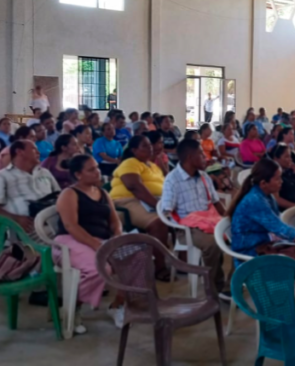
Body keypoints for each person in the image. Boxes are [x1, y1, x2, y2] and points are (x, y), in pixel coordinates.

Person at [228, 159, 295, 329]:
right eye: (277, 178)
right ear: (264, 183)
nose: (281, 182)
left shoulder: (266, 196)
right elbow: (282, 230)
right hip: (251, 258)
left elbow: (279, 231)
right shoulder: (255, 200)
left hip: (266, 249)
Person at [55, 155, 123, 331]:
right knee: (100, 267)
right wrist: (97, 246)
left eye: (97, 167)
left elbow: (115, 221)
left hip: (102, 239)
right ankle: (72, 307)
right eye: (91, 169)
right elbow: (71, 225)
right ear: (78, 174)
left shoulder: (102, 193)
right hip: (71, 240)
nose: (97, 172)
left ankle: (117, 306)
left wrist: (116, 237)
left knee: (136, 259)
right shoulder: (69, 193)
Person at [159, 139, 227, 294]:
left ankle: (231, 284)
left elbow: (216, 202)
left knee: (241, 233)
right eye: (201, 155)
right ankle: (215, 287)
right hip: (188, 228)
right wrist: (182, 227)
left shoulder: (203, 176)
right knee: (213, 243)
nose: (205, 158)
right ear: (190, 158)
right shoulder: (172, 180)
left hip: (209, 221)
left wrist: (228, 219)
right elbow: (166, 211)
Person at [109, 135, 170, 280]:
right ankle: (159, 267)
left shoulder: (153, 165)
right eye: (145, 146)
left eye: (150, 145)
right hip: (127, 201)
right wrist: (157, 206)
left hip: (151, 201)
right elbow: (134, 186)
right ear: (134, 150)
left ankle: (182, 258)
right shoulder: (130, 162)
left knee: (184, 215)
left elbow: (167, 182)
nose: (150, 148)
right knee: (158, 222)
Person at [0, 140, 60, 233]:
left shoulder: (45, 172)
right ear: (20, 152)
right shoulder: (3, 176)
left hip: (55, 224)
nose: (38, 152)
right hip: (26, 231)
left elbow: (58, 195)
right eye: (34, 149)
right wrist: (16, 219)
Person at [272, 144, 295, 211]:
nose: (290, 159)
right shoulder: (272, 175)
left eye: (290, 156)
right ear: (276, 159)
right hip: (281, 212)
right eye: (286, 157)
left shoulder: (291, 172)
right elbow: (276, 199)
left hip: (294, 209)